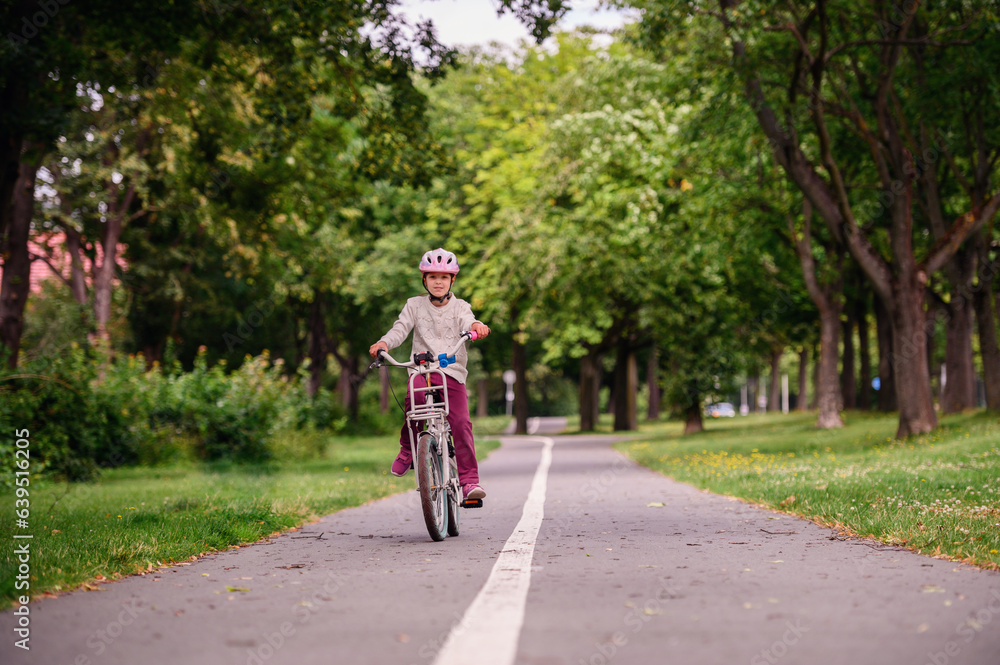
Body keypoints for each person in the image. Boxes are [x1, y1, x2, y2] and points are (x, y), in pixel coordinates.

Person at [369, 248, 490, 502]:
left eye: (444, 278)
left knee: (461, 422)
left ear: (452, 281)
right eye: (432, 277)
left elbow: (469, 321)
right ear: (424, 279)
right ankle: (408, 451)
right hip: (421, 371)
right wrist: (384, 343)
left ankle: (469, 482)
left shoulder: (460, 307)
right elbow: (400, 329)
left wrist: (475, 326)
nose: (438, 282)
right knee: (413, 406)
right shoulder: (414, 305)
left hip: (451, 372)